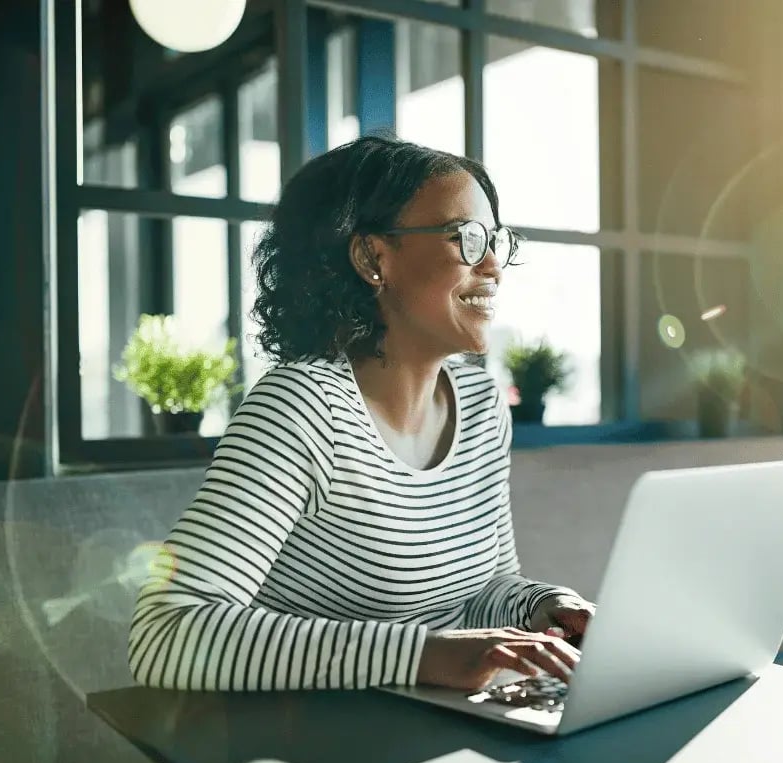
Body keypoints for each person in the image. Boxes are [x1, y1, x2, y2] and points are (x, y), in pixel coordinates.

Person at [127, 135, 594, 693]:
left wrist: (544, 609)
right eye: (465, 239)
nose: (493, 265)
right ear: (373, 258)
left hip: (435, 735)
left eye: (495, 240)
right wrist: (423, 655)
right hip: (301, 753)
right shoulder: (299, 409)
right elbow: (166, 631)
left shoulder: (482, 404)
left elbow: (483, 586)